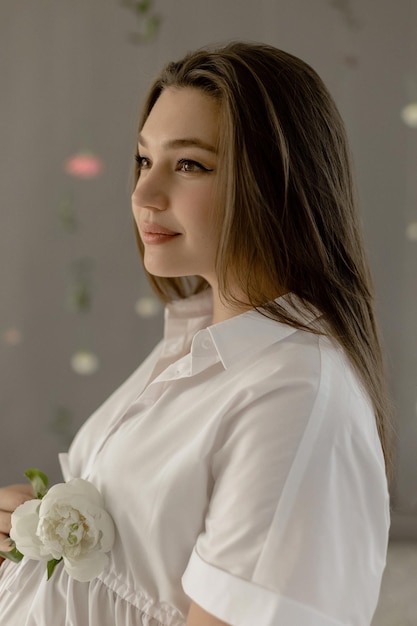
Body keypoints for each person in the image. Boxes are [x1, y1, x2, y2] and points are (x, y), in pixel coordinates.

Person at [0, 42, 391, 626]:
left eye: (189, 165)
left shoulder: (291, 396)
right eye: (142, 160)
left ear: (278, 183)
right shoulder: (199, 343)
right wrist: (31, 536)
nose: (143, 194)